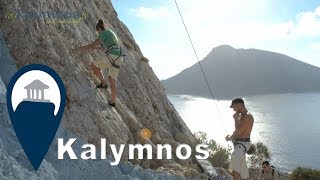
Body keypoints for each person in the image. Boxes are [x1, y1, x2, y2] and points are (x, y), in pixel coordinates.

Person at [72, 19, 123, 107]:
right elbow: (106, 48)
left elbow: (92, 45)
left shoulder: (104, 33)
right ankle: (112, 101)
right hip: (119, 57)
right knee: (112, 80)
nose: (98, 34)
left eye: (98, 32)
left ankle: (103, 83)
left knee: (94, 65)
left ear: (99, 29)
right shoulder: (110, 33)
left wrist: (79, 49)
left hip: (112, 55)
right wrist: (96, 49)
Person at [225, 98, 254, 180]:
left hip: (243, 144)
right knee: (242, 167)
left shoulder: (248, 116)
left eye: (234, 107)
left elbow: (239, 132)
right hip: (240, 144)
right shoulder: (242, 116)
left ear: (239, 105)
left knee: (235, 160)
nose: (233, 109)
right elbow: (237, 129)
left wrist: (230, 137)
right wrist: (236, 119)